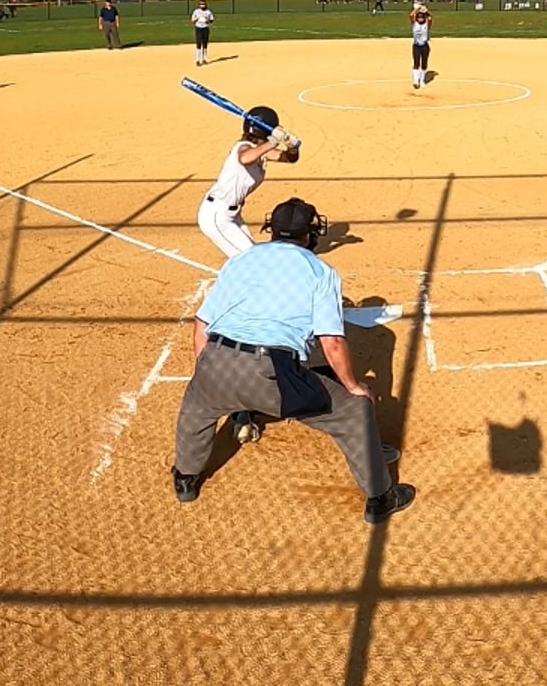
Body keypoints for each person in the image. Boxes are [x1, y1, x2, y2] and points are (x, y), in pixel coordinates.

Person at [169, 197, 414, 522]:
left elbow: (202, 325)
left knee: (196, 408)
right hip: (272, 372)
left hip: (216, 360)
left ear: (271, 230)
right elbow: (332, 342)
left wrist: (209, 369)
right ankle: (380, 498)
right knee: (354, 409)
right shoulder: (320, 271)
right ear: (309, 234)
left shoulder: (240, 260)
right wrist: (354, 386)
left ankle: (185, 480)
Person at [197, 104, 298, 261]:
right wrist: (273, 142)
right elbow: (244, 158)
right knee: (250, 259)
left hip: (232, 214)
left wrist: (292, 147)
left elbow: (289, 159)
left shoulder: (260, 150)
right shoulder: (244, 147)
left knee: (251, 252)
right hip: (216, 214)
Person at [410, 4, 433, 89]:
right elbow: (411, 15)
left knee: (424, 63)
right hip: (416, 46)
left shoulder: (426, 25)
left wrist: (426, 11)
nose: (420, 19)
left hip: (424, 46)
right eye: (419, 17)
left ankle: (422, 80)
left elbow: (430, 19)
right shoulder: (414, 24)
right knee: (416, 63)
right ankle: (416, 81)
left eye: (422, 17)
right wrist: (418, 8)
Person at [190, 0, 215, 66]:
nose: (202, 5)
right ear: (199, 5)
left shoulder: (208, 12)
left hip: (205, 28)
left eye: (203, 4)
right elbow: (192, 21)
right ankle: (197, 60)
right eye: (201, 4)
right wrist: (197, 18)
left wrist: (207, 20)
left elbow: (212, 20)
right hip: (198, 28)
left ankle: (204, 59)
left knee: (205, 44)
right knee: (198, 44)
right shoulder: (196, 11)